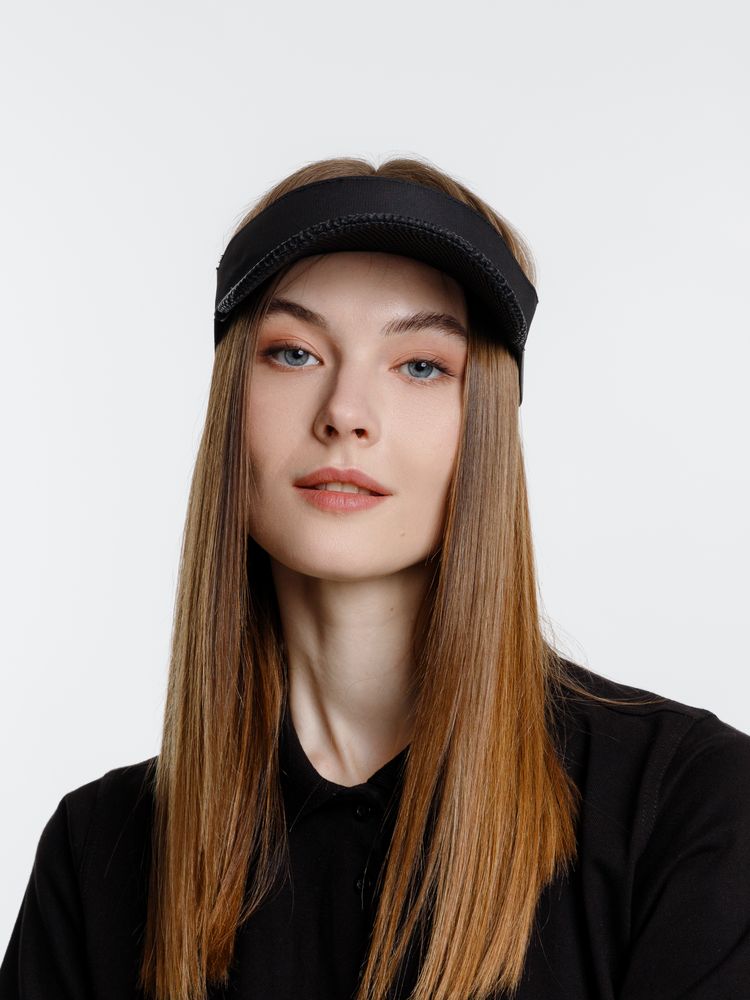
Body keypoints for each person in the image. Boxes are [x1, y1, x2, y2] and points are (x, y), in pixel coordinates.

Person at [2, 156, 749, 1000]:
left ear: (486, 425)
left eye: (421, 365)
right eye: (293, 353)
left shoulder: (686, 807)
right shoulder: (98, 854)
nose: (345, 412)